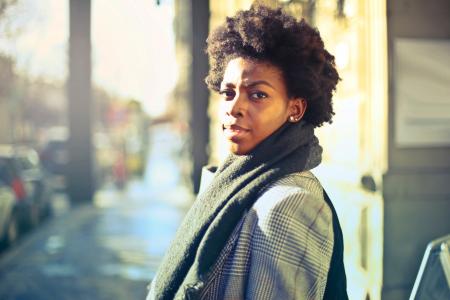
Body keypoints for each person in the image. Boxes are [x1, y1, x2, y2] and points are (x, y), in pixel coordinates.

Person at [147, 3, 348, 300]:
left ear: (295, 108)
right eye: (228, 93)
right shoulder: (232, 182)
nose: (234, 107)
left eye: (258, 95)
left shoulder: (288, 206)